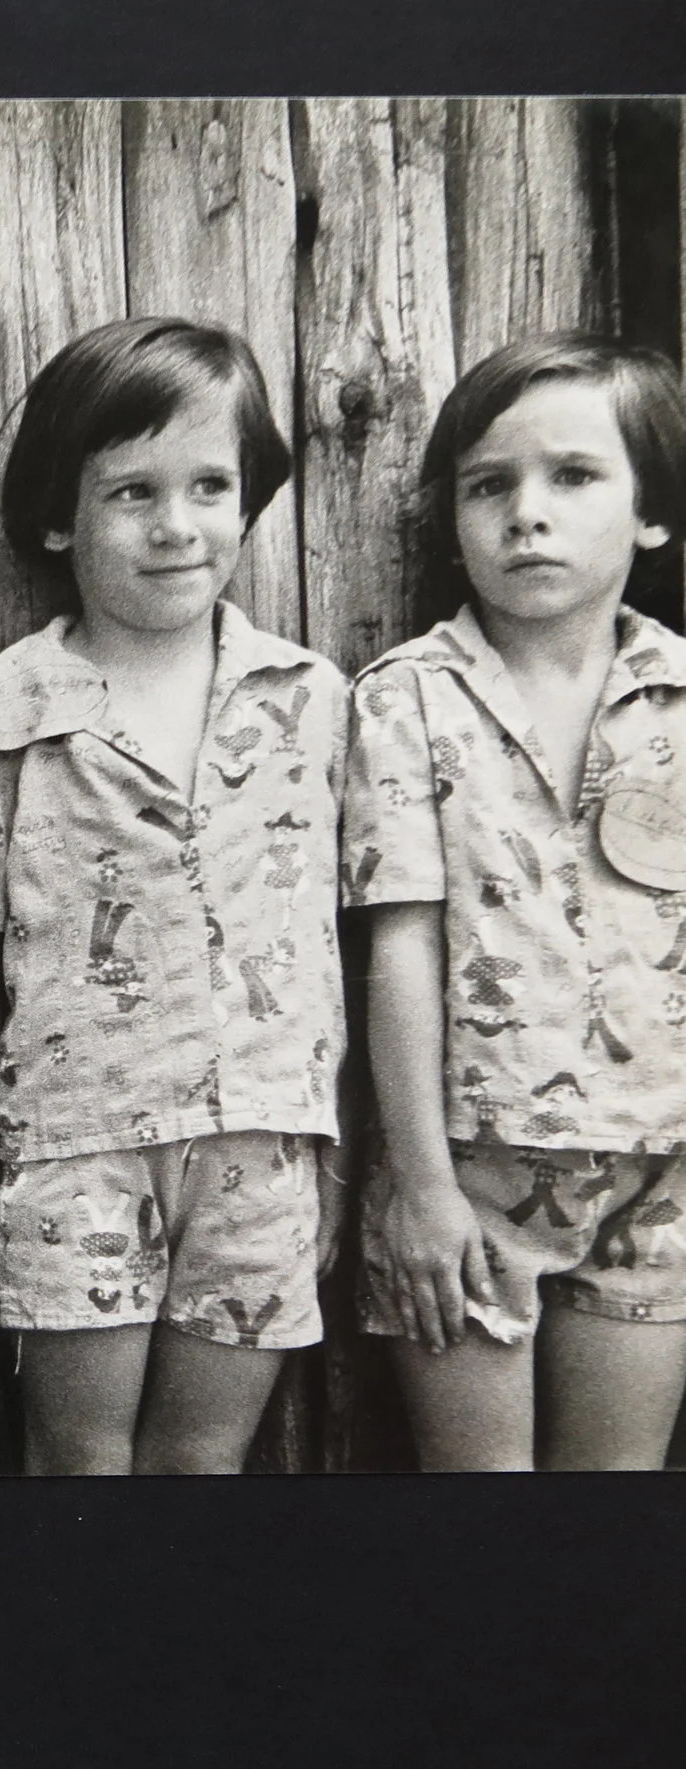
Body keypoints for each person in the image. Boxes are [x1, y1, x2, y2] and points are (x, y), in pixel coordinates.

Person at [0, 317, 346, 1475]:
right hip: (72, 1154)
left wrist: (339, 1155)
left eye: (209, 485)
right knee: (78, 1466)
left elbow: (349, 939)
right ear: (59, 513)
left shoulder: (310, 705)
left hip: (259, 1151)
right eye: (130, 492)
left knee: (203, 1465)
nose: (176, 525)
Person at [344, 332, 686, 1470]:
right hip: (470, 1177)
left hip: (663, 1171)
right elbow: (397, 950)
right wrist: (424, 1189)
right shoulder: (406, 703)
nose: (525, 513)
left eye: (573, 477)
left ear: (652, 513)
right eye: (488, 486)